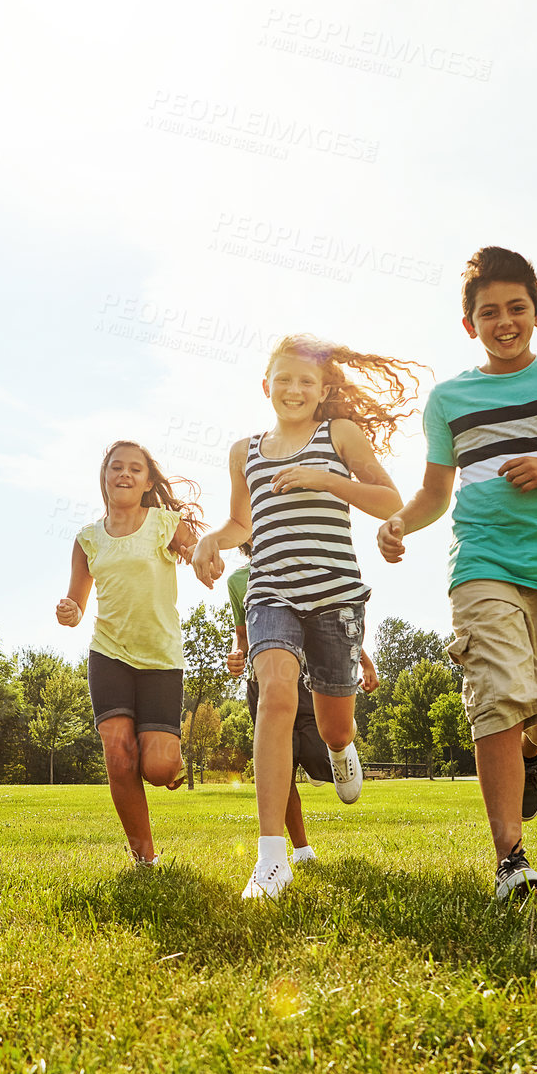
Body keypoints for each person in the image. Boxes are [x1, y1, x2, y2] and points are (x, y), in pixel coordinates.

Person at [378, 247, 537, 901]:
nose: (504, 321)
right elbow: (435, 492)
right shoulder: (450, 399)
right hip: (481, 562)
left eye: (516, 308)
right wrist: (402, 522)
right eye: (488, 312)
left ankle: (532, 749)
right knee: (495, 690)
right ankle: (510, 861)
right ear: (470, 325)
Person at [193, 334, 418, 899]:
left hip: (335, 595)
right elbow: (241, 526)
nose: (294, 389)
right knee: (273, 694)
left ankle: (342, 750)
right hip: (271, 591)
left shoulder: (338, 434)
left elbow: (391, 501)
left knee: (332, 724)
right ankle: (271, 860)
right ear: (265, 385)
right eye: (284, 379)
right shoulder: (243, 450)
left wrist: (326, 479)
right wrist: (209, 542)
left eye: (306, 381)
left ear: (323, 390)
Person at [57, 440, 202, 866]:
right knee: (119, 757)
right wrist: (69, 611)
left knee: (156, 769)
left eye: (135, 469)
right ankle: (145, 859)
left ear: (148, 481)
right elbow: (77, 605)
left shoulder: (164, 523)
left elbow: (198, 554)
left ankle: (161, 757)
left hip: (160, 657)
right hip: (109, 654)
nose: (124, 474)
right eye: (116, 467)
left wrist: (205, 563)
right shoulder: (87, 540)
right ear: (104, 478)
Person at [225, 551, 379, 866]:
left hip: (306, 679)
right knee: (280, 766)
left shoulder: (300, 560)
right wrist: (237, 653)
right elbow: (241, 635)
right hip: (263, 683)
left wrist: (365, 662)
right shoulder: (238, 581)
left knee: (318, 752)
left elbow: (329, 625)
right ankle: (301, 849)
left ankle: (341, 738)